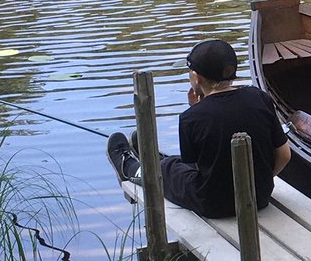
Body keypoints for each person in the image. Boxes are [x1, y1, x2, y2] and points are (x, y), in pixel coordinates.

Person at [107, 39, 291, 217]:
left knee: (168, 170)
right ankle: (160, 161)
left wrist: (195, 109)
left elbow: (195, 166)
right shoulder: (259, 98)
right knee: (176, 165)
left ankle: (131, 169)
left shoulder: (192, 117)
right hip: (259, 197)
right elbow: (284, 154)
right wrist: (263, 181)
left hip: (213, 204)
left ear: (196, 77)